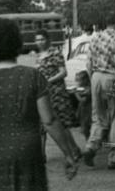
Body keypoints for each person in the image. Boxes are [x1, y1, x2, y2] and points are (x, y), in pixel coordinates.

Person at [0, 18, 79, 189]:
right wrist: (68, 153)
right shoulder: (33, 76)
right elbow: (49, 120)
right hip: (27, 149)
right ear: (17, 43)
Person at [82, 12, 115, 169]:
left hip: (96, 77)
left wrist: (93, 79)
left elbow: (88, 63)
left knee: (98, 116)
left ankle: (91, 147)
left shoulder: (95, 38)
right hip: (113, 78)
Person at [34, 29, 81, 161]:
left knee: (62, 123)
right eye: (37, 40)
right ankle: (42, 154)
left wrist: (49, 80)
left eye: (42, 39)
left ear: (48, 40)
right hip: (43, 94)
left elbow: (63, 72)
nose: (40, 42)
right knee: (42, 124)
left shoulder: (55, 53)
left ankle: (74, 149)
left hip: (57, 92)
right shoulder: (38, 56)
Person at [74, 71, 92, 141]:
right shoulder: (83, 88)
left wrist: (75, 94)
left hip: (87, 112)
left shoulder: (88, 89)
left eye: (78, 80)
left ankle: (89, 142)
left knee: (86, 128)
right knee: (84, 128)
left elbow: (82, 100)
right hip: (83, 111)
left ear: (85, 80)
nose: (77, 83)